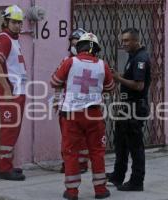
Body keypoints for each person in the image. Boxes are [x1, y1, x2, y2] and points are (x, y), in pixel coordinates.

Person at [50, 32, 114, 200]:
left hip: (71, 114)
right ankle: (100, 190)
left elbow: (55, 82)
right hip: (94, 114)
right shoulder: (102, 65)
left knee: (70, 152)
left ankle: (72, 192)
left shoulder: (71, 62)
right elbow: (110, 86)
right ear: (96, 49)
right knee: (97, 152)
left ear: (79, 47)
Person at [106, 28, 151, 191]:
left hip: (135, 107)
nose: (123, 44)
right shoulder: (133, 57)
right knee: (121, 143)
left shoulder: (140, 59)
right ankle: (118, 175)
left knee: (135, 146)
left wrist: (118, 78)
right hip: (126, 107)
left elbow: (139, 86)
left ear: (136, 41)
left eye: (126, 41)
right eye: (122, 40)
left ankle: (137, 181)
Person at [0, 5, 27, 181]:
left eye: (19, 22)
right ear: (5, 21)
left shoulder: (13, 39)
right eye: (14, 22)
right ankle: (4, 169)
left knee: (13, 129)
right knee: (9, 130)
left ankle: (5, 165)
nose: (18, 26)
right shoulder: (3, 39)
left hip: (17, 91)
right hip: (9, 93)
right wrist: (7, 89)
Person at [53, 28, 89, 174]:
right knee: (68, 138)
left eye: (78, 44)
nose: (74, 47)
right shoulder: (66, 61)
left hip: (84, 106)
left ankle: (81, 163)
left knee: (82, 138)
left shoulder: (92, 62)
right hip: (67, 106)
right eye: (73, 43)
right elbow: (57, 81)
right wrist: (56, 100)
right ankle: (69, 163)